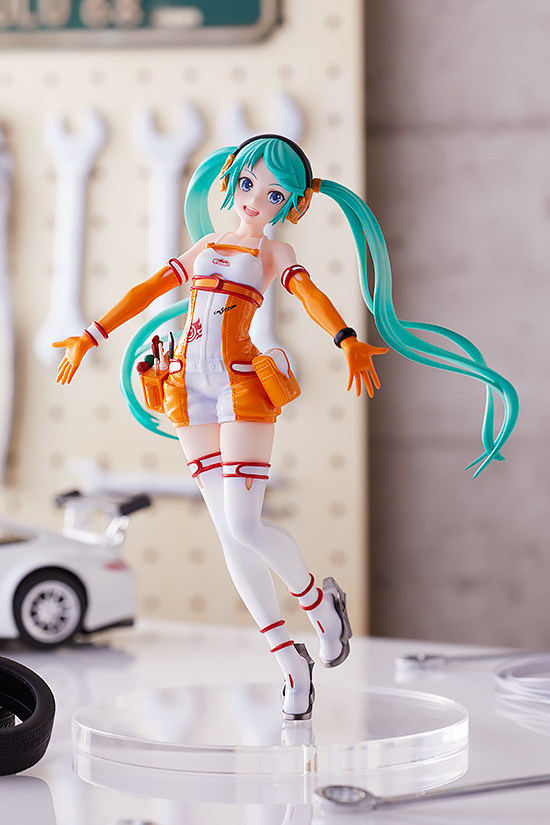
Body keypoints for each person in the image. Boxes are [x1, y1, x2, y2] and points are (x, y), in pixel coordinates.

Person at [54, 134, 518, 719]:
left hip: (241, 385)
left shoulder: (275, 253)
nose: (255, 201)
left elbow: (310, 294)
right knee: (230, 536)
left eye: (273, 194)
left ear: (292, 203)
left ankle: (317, 600)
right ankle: (289, 661)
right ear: (231, 180)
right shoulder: (204, 246)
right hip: (188, 390)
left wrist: (346, 339)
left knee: (245, 523)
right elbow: (147, 291)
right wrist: (90, 335)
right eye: (248, 185)